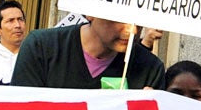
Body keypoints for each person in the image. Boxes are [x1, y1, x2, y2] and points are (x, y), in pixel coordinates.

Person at [11, 16, 166, 90]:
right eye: (120, 18)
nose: (132, 30)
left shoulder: (150, 68)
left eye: (138, 20)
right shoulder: (41, 48)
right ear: (90, 13)